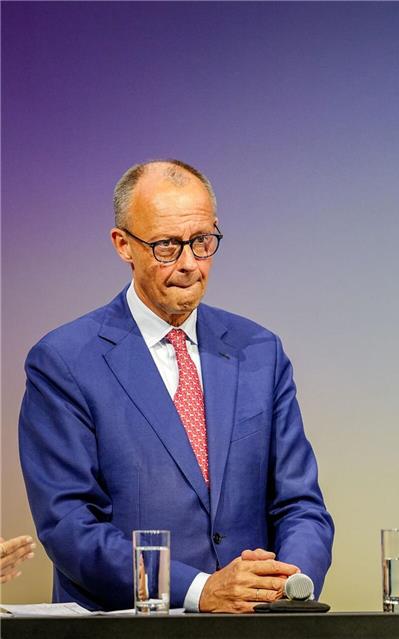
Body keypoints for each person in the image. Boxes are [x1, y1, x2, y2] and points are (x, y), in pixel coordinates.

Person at [18, 160, 334, 612]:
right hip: (130, 629)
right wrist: (200, 590)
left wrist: (287, 587)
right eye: (167, 245)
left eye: (203, 242)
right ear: (123, 244)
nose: (189, 264)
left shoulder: (260, 351)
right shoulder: (65, 361)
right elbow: (70, 527)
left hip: (256, 628)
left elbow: (300, 504)